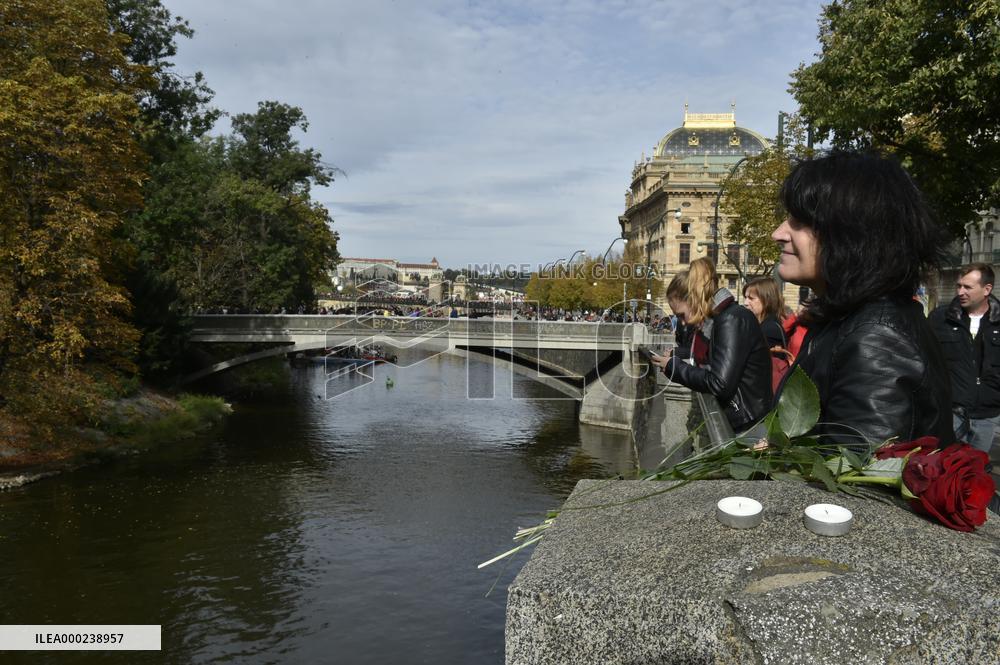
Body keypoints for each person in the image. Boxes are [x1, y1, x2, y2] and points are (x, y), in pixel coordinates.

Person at [771, 152, 953, 447]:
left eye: (799, 221)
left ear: (851, 234)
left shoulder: (876, 339)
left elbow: (853, 483)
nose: (777, 234)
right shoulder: (849, 320)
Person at [650, 258, 772, 431]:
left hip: (747, 425)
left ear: (693, 299)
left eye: (682, 315)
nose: (682, 323)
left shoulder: (731, 319)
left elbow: (719, 383)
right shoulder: (718, 320)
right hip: (741, 421)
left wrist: (673, 368)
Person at [929, 263, 1000, 453]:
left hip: (987, 416)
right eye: (959, 286)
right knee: (943, 471)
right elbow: (927, 362)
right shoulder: (939, 318)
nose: (961, 291)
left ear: (987, 289)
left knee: (974, 473)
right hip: (950, 414)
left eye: (967, 287)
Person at [743, 276, 786, 351]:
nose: (745, 303)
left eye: (751, 298)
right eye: (745, 297)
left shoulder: (770, 330)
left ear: (767, 300)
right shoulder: (761, 325)